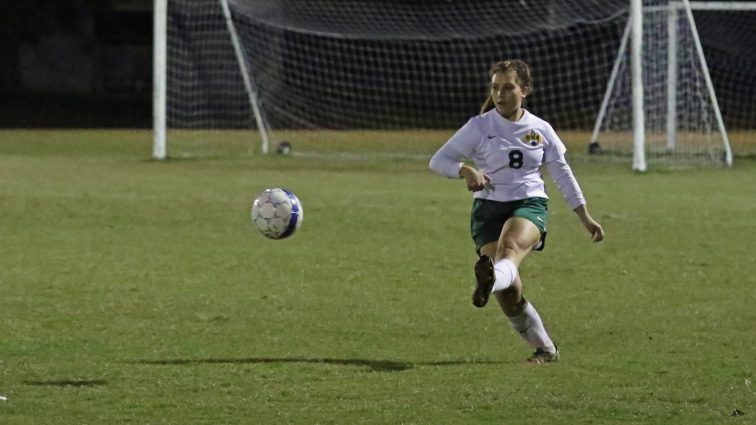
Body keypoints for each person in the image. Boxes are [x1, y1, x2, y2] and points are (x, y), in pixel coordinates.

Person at [429, 59, 604, 364]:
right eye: (495, 87)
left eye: (508, 87)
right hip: (487, 209)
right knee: (508, 293)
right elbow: (438, 161)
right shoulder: (479, 126)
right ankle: (545, 348)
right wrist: (465, 170)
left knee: (509, 248)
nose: (500, 93)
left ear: (524, 90)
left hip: (529, 204)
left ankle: (490, 277)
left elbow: (562, 174)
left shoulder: (540, 129)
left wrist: (584, 216)